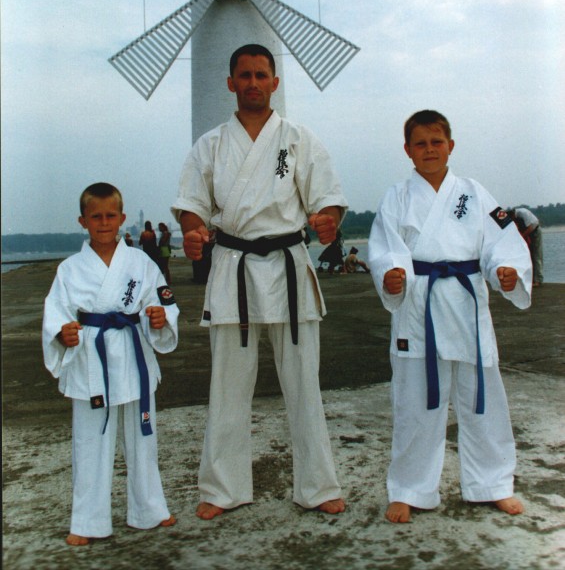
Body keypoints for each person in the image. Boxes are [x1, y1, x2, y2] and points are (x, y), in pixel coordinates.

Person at [172, 43, 347, 520]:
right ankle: (222, 489)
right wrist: (193, 231)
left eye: (261, 75)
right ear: (231, 83)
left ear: (275, 82)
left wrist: (328, 220)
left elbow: (326, 197)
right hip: (234, 267)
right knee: (228, 386)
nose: (253, 83)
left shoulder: (298, 140)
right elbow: (192, 204)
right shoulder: (210, 145)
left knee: (304, 384)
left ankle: (318, 486)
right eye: (244, 75)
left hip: (289, 265)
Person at [368, 110, 532, 524]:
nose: (429, 150)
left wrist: (505, 271)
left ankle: (493, 484)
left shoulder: (475, 193)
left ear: (450, 146)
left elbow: (502, 242)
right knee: (414, 403)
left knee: (483, 399)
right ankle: (409, 489)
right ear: (407, 150)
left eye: (436, 142)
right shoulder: (397, 197)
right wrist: (392, 274)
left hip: (466, 302)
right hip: (418, 304)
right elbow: (385, 247)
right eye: (420, 144)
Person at [42, 183, 179, 546]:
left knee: (143, 440)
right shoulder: (69, 269)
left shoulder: (141, 263)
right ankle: (87, 522)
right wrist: (63, 334)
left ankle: (150, 510)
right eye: (96, 217)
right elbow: (56, 314)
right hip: (91, 358)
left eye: (110, 216)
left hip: (133, 353)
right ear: (82, 221)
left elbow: (163, 302)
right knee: (90, 442)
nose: (103, 223)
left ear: (122, 218)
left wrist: (160, 318)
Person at [508, 207, 543, 287]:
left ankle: (538, 279)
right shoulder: (518, 216)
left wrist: (522, 236)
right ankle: (532, 278)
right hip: (530, 233)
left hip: (535, 231)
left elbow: (531, 227)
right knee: (530, 256)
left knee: (536, 256)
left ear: (513, 215)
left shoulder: (523, 213)